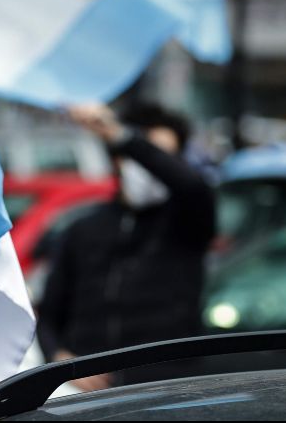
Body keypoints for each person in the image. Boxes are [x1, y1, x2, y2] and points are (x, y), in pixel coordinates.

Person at [36, 102, 216, 391]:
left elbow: (193, 187)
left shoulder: (187, 221)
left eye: (159, 156)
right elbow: (48, 315)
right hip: (90, 395)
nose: (149, 164)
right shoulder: (82, 230)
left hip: (169, 389)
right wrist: (60, 359)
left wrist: (123, 136)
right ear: (117, 160)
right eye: (141, 153)